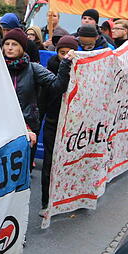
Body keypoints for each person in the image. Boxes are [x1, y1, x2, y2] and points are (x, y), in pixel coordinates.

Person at [2, 29, 70, 156]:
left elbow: (57, 86)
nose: (10, 48)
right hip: (2, 125)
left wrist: (65, 65)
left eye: (15, 44)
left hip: (27, 125)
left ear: (22, 47)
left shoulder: (33, 68)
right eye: (7, 44)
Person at [40, 35, 77, 209]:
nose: (65, 56)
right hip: (54, 121)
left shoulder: (83, 68)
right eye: (62, 53)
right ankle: (46, 201)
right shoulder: (49, 69)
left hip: (74, 124)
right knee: (49, 161)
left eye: (69, 53)